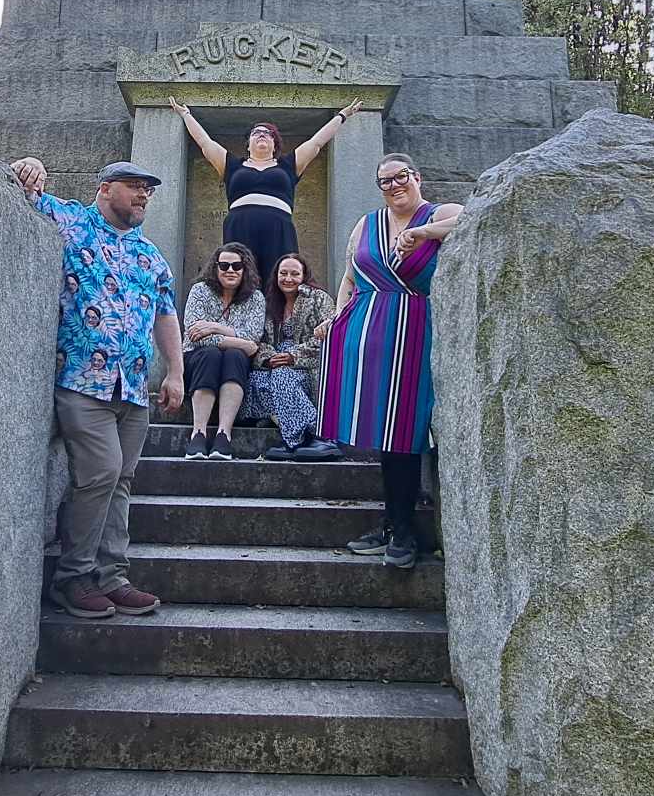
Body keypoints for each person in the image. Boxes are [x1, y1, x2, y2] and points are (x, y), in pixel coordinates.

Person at [8, 155, 184, 621]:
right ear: (105, 189)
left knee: (121, 482)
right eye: (133, 186)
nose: (143, 195)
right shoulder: (73, 221)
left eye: (148, 188)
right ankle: (73, 578)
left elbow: (166, 313)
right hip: (83, 381)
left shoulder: (149, 254)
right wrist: (29, 166)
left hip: (132, 389)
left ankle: (112, 576)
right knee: (101, 474)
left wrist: (175, 371)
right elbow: (26, 194)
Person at [314, 152, 462, 568]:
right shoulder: (367, 224)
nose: (394, 186)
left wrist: (426, 233)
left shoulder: (438, 212)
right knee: (384, 434)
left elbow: (473, 220)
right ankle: (393, 523)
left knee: (406, 433)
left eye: (400, 177)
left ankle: (404, 531)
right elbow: (348, 277)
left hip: (415, 332)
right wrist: (337, 318)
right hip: (367, 334)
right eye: (385, 181)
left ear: (416, 177)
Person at [169, 96, 364, 292]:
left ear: (275, 144)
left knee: (281, 280)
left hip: (279, 230)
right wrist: (186, 114)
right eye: (256, 132)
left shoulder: (288, 165)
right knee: (239, 277)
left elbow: (317, 142)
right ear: (248, 143)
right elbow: (205, 142)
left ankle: (278, 320)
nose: (262, 135)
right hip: (239, 227)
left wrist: (342, 115)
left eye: (268, 133)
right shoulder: (232, 166)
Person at [244, 252, 338, 459]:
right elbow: (260, 340)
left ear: (304, 276)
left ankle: (314, 436)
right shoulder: (268, 303)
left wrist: (293, 356)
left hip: (310, 365)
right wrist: (268, 358)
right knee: (256, 381)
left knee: (281, 376)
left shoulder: (318, 298)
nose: (288, 278)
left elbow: (330, 334)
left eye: (295, 274)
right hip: (276, 363)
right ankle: (301, 438)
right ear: (276, 275)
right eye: (283, 273)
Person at [178, 242, 266, 460]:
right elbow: (195, 336)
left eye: (236, 266)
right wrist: (241, 341)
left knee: (234, 356)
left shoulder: (256, 298)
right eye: (224, 265)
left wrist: (216, 327)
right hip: (198, 361)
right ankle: (198, 433)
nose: (230, 270)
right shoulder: (200, 291)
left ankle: (223, 435)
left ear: (245, 269)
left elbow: (254, 336)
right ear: (215, 268)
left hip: (234, 366)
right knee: (212, 354)